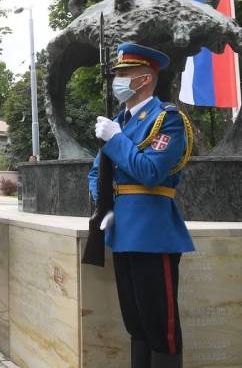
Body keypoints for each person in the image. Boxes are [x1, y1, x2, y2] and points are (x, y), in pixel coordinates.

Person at [88, 43, 194, 368]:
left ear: (146, 78)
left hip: (152, 232)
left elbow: (150, 172)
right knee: (135, 322)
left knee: (160, 325)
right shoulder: (120, 120)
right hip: (122, 230)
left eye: (123, 74)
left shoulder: (167, 120)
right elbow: (97, 172)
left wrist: (116, 139)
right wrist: (104, 205)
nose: (116, 80)